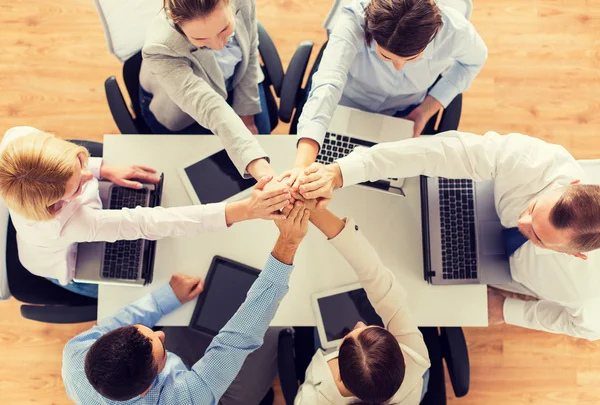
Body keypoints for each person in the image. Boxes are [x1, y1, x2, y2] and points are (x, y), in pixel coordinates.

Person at [293, 130, 600, 340]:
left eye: (536, 235)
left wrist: (508, 310)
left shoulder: (587, 291)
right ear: (572, 182)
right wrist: (341, 172)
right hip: (476, 199)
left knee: (409, 286)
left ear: (575, 254)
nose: (522, 221)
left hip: (501, 271)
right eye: (533, 207)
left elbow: (585, 327)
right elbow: (437, 151)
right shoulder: (538, 162)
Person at [62, 201, 311, 404]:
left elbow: (121, 321)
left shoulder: (76, 353)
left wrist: (167, 297)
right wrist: (287, 244)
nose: (160, 335)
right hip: (216, 398)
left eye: (147, 333)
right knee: (274, 330)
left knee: (191, 317)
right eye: (161, 353)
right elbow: (237, 340)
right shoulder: (187, 399)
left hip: (178, 373)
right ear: (146, 391)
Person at [0, 126, 291, 298]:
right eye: (77, 187)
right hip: (64, 262)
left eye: (80, 162)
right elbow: (149, 222)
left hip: (49, 229)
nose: (89, 178)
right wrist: (247, 209)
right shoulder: (66, 224)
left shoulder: (17, 138)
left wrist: (103, 167)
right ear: (55, 205)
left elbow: (85, 174)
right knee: (131, 292)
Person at [281, 0, 487, 186]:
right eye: (385, 57)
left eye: (412, 58)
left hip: (404, 113)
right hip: (345, 107)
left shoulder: (456, 32)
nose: (399, 67)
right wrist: (302, 165)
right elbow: (327, 83)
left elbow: (474, 62)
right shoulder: (353, 20)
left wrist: (426, 109)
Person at [295, 207, 430, 404]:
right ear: (403, 360)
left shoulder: (310, 400)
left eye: (347, 338)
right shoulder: (415, 354)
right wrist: (317, 213)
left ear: (339, 376)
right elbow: (377, 279)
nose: (359, 323)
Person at [140, 0, 275, 181]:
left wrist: (247, 115)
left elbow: (250, 53)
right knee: (217, 176)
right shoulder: (160, 48)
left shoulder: (243, 2)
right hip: (184, 111)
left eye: (224, 29)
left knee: (262, 138)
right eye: (200, 39)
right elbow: (208, 106)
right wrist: (257, 163)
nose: (218, 45)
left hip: (229, 82)